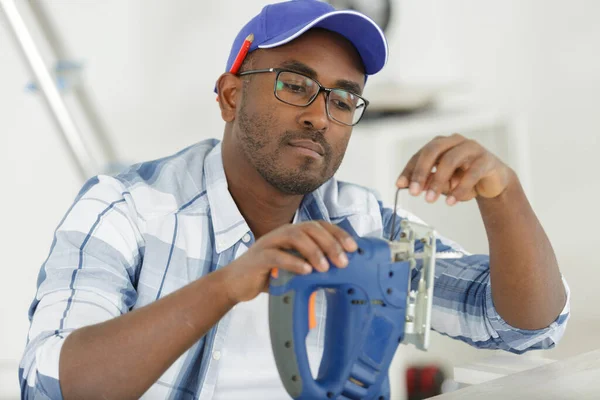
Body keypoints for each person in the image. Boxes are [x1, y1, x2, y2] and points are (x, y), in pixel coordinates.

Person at [19, 1, 570, 399]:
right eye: (294, 84)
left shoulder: (359, 220)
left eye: (344, 98)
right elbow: (52, 385)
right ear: (231, 95)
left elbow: (523, 325)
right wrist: (229, 283)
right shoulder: (127, 208)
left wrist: (505, 197)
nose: (318, 114)